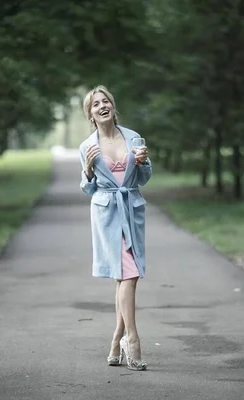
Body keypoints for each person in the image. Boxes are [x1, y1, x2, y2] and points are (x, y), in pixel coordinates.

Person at [78, 85, 151, 371]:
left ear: (113, 105)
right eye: (96, 104)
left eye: (105, 100)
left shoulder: (133, 137)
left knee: (124, 277)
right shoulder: (88, 147)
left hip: (131, 210)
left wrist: (143, 163)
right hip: (107, 213)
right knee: (128, 275)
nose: (102, 105)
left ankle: (115, 339)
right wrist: (87, 169)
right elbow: (87, 188)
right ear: (90, 114)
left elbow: (144, 177)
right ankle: (132, 339)